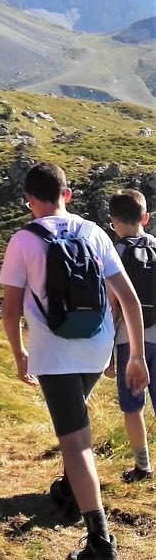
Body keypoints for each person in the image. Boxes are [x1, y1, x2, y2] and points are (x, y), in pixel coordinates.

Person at [0, 164, 149, 560]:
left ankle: (100, 541)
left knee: (75, 442)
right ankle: (70, 490)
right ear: (67, 194)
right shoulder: (95, 232)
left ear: (30, 200)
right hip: (97, 348)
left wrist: (19, 354)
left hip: (54, 354)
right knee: (76, 419)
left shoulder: (23, 240)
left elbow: (10, 311)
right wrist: (135, 357)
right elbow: (130, 300)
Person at [105, 189, 155, 485]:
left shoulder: (116, 254)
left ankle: (143, 466)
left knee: (133, 407)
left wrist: (108, 355)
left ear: (113, 222)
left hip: (129, 342)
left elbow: (112, 307)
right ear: (145, 218)